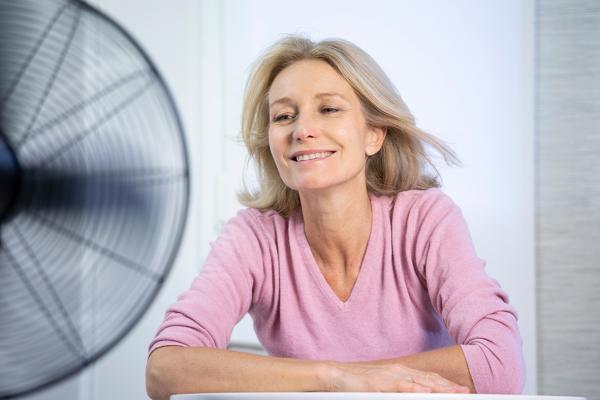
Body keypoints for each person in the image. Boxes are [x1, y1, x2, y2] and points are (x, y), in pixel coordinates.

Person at [146, 35, 525, 400]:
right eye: (283, 116)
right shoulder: (253, 238)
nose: (302, 130)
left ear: (373, 135)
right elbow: (164, 369)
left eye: (328, 109)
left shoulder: (424, 219)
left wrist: (357, 383)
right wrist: (333, 378)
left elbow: (500, 364)